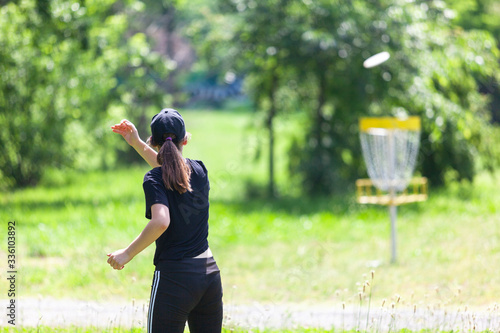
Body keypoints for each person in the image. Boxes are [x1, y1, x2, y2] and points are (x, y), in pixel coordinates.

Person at [107, 108, 223, 333]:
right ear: (185, 140)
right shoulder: (199, 170)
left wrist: (127, 253)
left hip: (176, 277)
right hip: (209, 274)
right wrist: (137, 143)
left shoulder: (154, 178)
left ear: (154, 141)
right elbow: (171, 169)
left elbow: (161, 221)